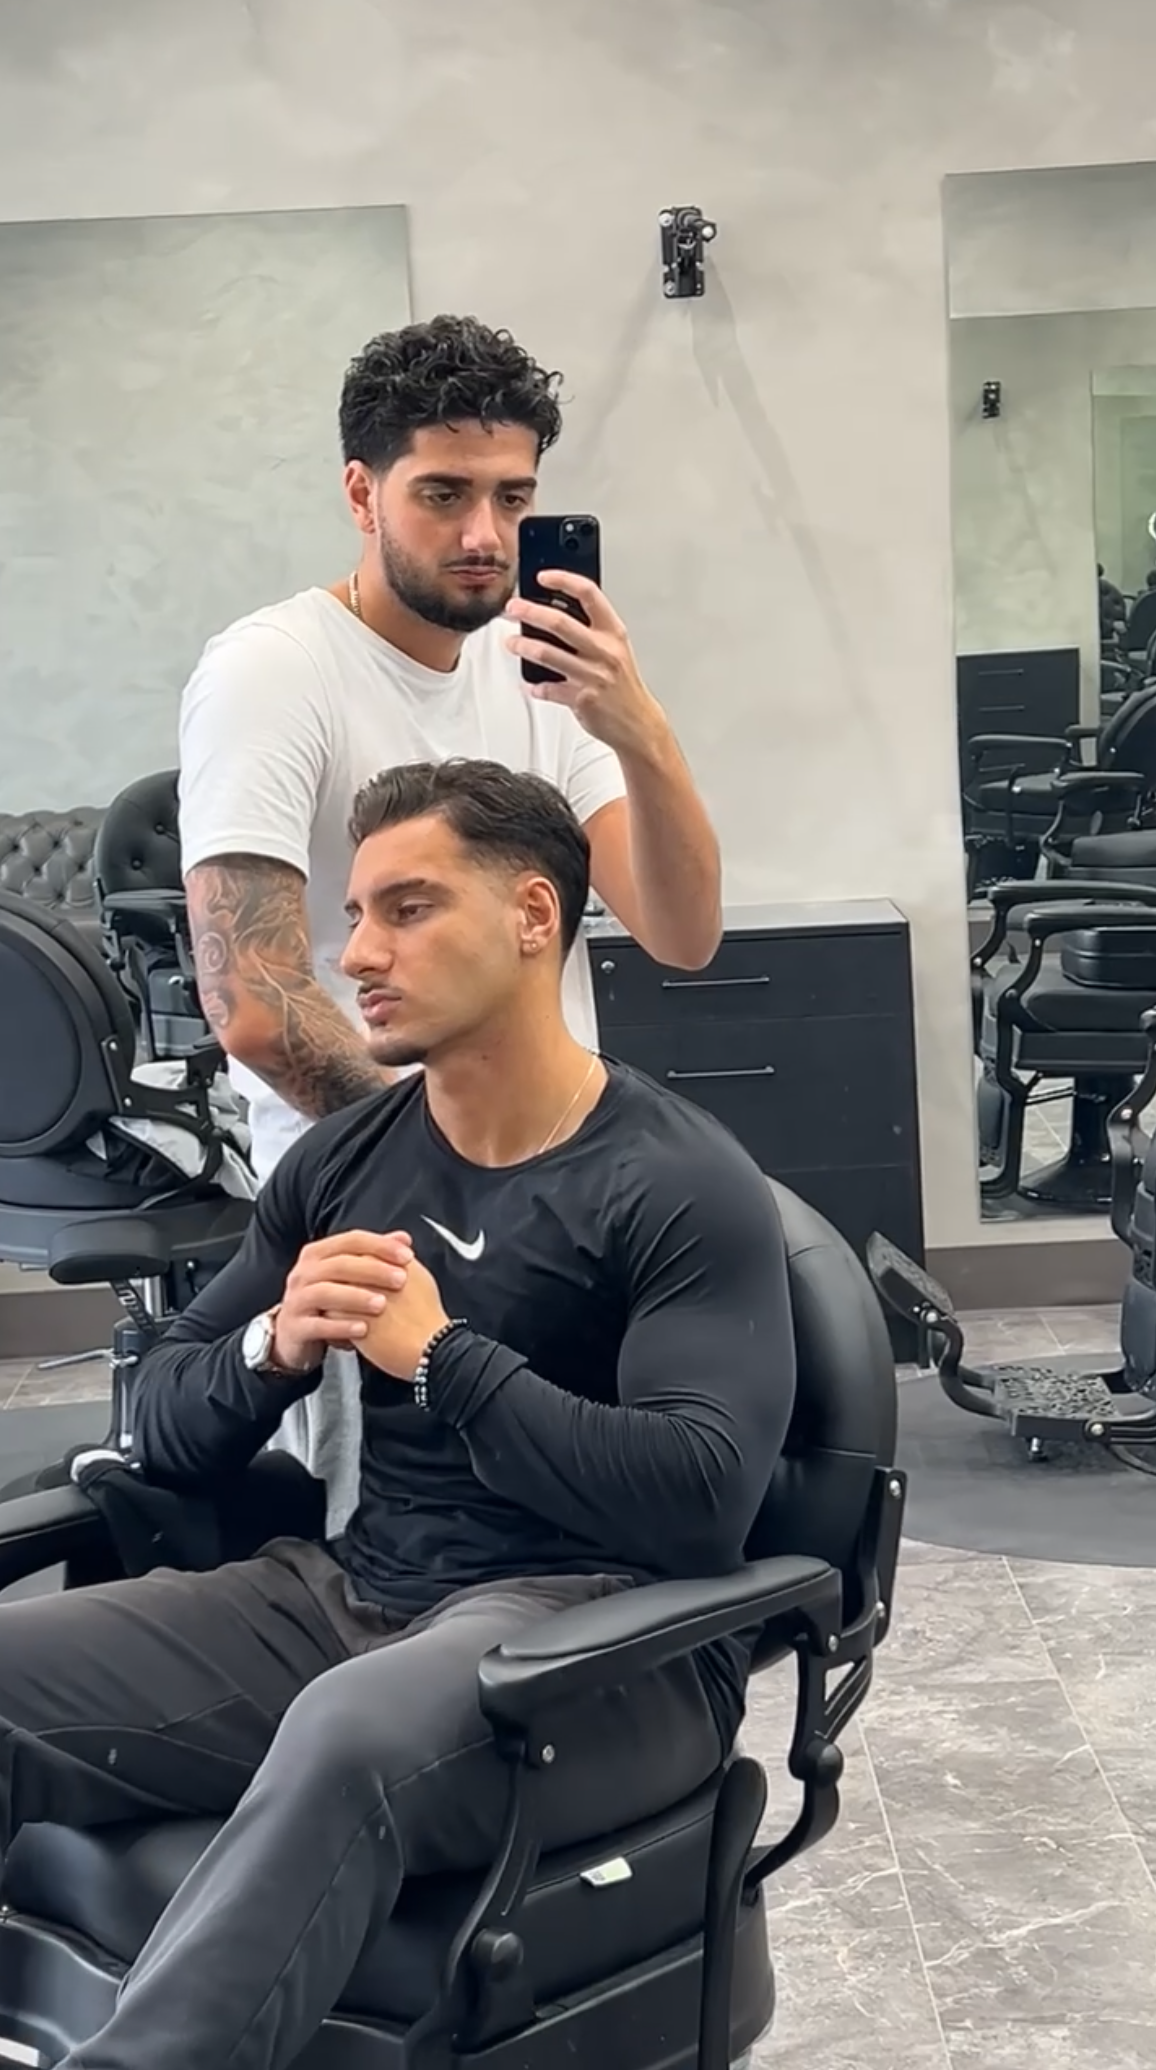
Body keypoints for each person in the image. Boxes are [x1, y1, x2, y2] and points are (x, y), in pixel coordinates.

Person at [0, 760, 795, 2070]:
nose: (356, 952)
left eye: (407, 909)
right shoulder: (346, 1162)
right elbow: (167, 1422)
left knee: (355, 1727)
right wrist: (269, 1344)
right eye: (355, 912)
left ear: (534, 916)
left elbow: (702, 1498)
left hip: (605, 1644)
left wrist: (447, 1358)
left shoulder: (677, 1182)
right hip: (355, 1601)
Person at [178, 312, 723, 1516]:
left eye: (512, 497)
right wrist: (462, 1175)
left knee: (576, 1539)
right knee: (387, 1563)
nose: (486, 536)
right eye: (443, 494)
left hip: (561, 1193)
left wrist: (639, 730)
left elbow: (681, 932)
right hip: (377, 1216)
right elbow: (254, 1002)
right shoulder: (274, 671)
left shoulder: (530, 665)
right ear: (361, 493)